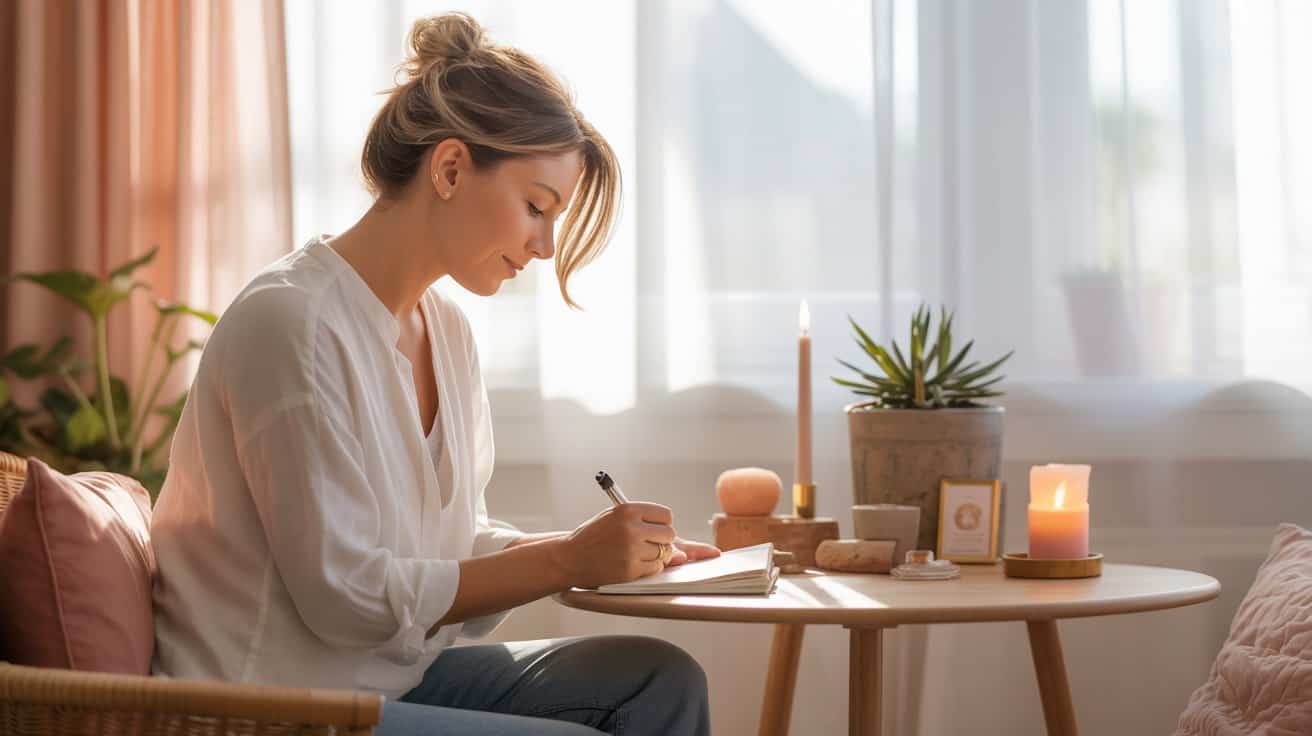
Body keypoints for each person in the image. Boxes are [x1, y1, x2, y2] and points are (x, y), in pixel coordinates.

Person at [149, 12, 718, 736]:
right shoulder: (290, 324)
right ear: (449, 168)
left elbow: (452, 548)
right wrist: (567, 559)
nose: (545, 246)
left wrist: (602, 553)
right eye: (536, 208)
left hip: (397, 682)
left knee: (660, 682)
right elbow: (344, 592)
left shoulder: (444, 330)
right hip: (272, 705)